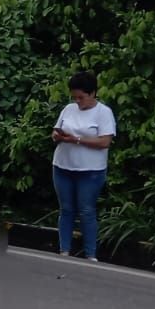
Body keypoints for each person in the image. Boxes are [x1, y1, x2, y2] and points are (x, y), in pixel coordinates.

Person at [52, 70, 117, 262]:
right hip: (63, 165)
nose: (78, 101)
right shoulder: (68, 109)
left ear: (92, 93)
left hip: (90, 170)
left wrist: (77, 140)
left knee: (86, 209)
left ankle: (90, 253)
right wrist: (58, 136)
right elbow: (55, 130)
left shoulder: (103, 113)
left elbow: (105, 142)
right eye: (75, 97)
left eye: (81, 97)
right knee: (66, 208)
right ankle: (64, 249)